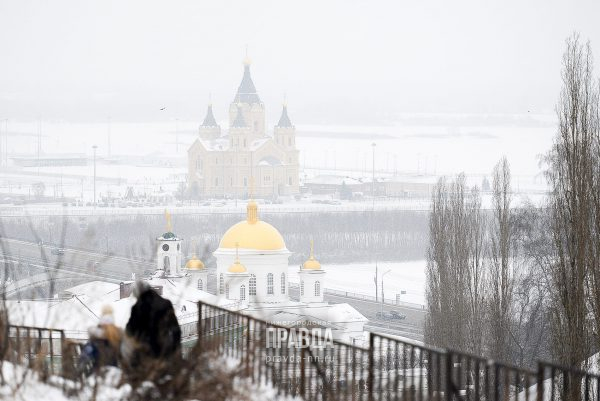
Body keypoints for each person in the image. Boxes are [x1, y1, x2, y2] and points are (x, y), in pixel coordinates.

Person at [121, 281, 181, 380]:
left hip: (147, 350)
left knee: (148, 379)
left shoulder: (137, 308)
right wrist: (175, 346)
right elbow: (176, 329)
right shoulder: (166, 303)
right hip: (166, 347)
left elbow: (130, 330)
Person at [78, 305, 123, 375]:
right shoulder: (118, 338)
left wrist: (79, 371)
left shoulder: (95, 339)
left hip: (97, 373)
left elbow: (85, 357)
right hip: (115, 373)